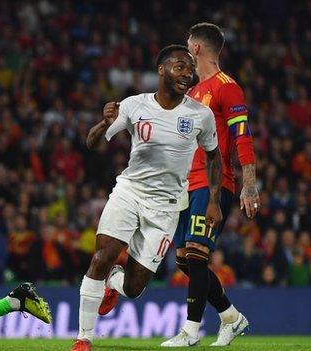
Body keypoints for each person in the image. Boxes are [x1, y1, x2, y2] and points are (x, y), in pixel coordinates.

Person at [71, 44, 223, 351]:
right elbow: (92, 143)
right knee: (101, 257)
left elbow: (214, 158)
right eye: (180, 67)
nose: (187, 73)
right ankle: (83, 339)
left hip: (166, 206)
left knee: (134, 287)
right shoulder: (133, 105)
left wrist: (214, 201)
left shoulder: (200, 115)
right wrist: (103, 122)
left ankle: (114, 282)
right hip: (130, 191)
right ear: (162, 70)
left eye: (190, 68)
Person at [161, 23, 258, 347]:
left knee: (198, 255)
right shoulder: (191, 92)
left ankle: (191, 331)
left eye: (188, 46)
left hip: (213, 184)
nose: (185, 51)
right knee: (185, 261)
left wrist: (249, 184)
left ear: (197, 49)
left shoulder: (226, 87)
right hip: (186, 186)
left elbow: (242, 136)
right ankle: (230, 316)